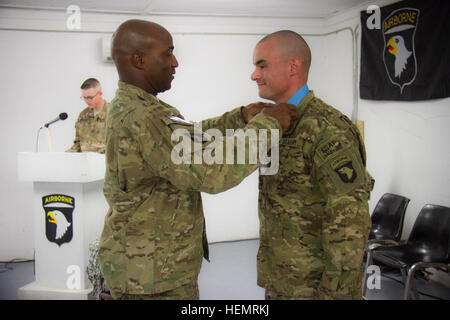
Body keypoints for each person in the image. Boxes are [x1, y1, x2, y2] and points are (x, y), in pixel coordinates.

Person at [97, 19, 299, 300]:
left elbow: (186, 141)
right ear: (139, 60)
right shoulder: (143, 117)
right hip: (150, 277)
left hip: (149, 267)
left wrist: (238, 118)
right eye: (168, 53)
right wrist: (269, 126)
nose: (175, 62)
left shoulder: (139, 107)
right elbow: (211, 171)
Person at [250, 30, 375, 300]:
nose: (254, 75)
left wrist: (333, 293)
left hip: (316, 288)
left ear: (293, 66)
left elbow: (350, 221)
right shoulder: (275, 123)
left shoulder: (326, 128)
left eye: (262, 65)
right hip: (284, 280)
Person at [66, 78, 108, 153]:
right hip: (85, 162)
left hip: (104, 162)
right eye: (84, 97)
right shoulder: (83, 115)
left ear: (100, 94)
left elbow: (118, 144)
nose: (86, 101)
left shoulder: (112, 113)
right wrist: (63, 157)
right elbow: (78, 144)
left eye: (90, 97)